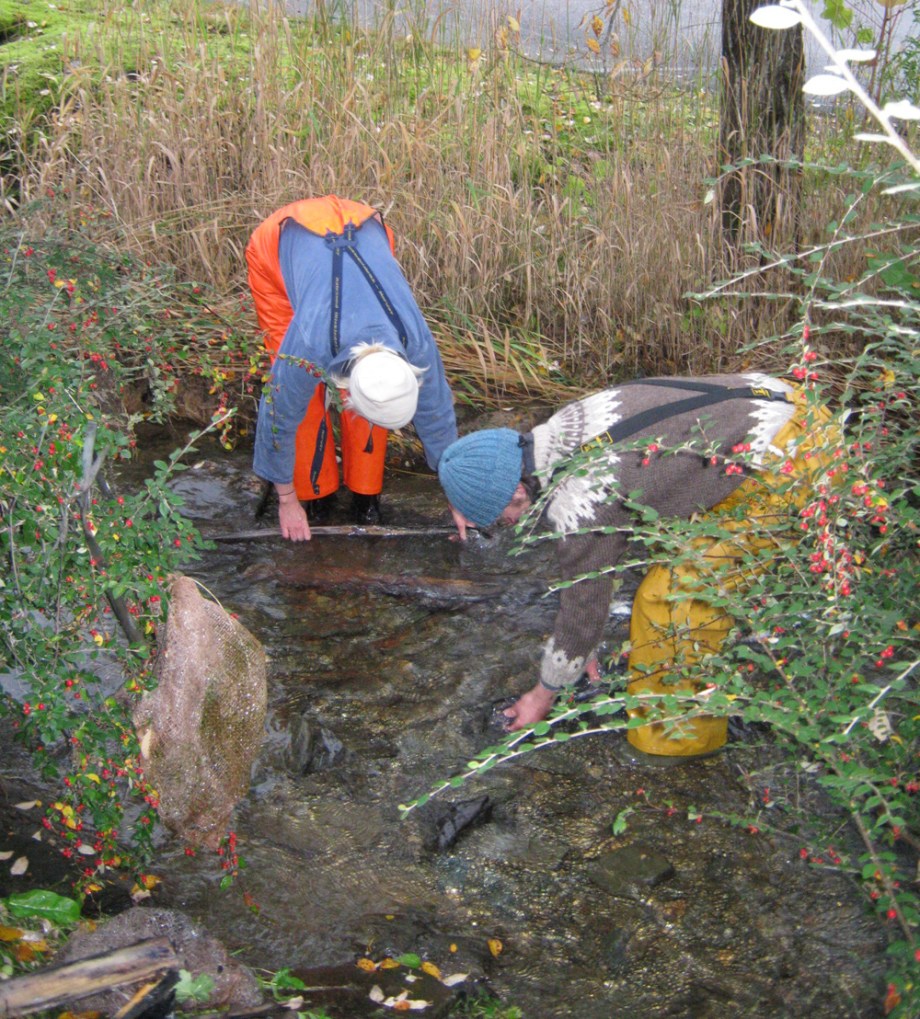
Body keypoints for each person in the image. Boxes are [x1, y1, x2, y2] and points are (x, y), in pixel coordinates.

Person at [438, 374, 835, 756]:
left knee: (669, 603)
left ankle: (677, 744)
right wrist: (582, 646)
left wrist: (545, 692)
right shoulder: (568, 424)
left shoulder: (581, 497)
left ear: (518, 491)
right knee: (671, 548)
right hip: (795, 405)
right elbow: (607, 538)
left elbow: (584, 600)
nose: (505, 526)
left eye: (500, 519)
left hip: (792, 461)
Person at [247, 195, 462, 540]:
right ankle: (316, 495)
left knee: (378, 396)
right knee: (302, 400)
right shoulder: (310, 340)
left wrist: (456, 495)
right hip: (282, 246)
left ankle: (366, 498)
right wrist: (287, 500)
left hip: (363, 226)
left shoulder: (414, 339)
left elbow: (436, 413)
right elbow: (278, 413)